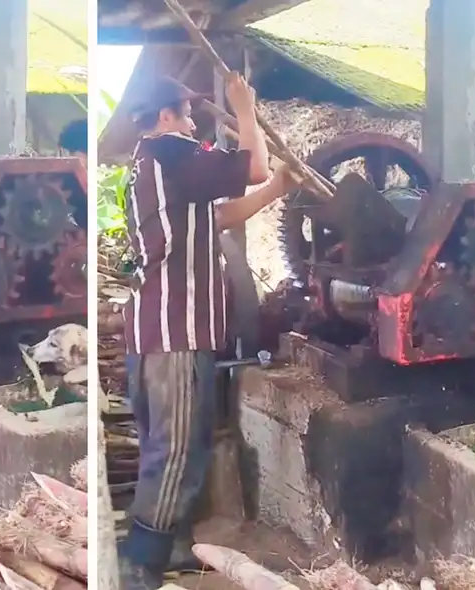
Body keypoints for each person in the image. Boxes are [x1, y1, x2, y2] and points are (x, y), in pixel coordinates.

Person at [119, 74, 294, 589]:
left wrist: (279, 188)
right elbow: (254, 166)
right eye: (188, 113)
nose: (195, 123)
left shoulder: (146, 164)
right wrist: (244, 107)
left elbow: (216, 217)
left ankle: (170, 543)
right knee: (175, 449)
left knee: (164, 444)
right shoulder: (171, 152)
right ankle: (139, 566)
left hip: (151, 330)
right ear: (166, 116)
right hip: (177, 328)